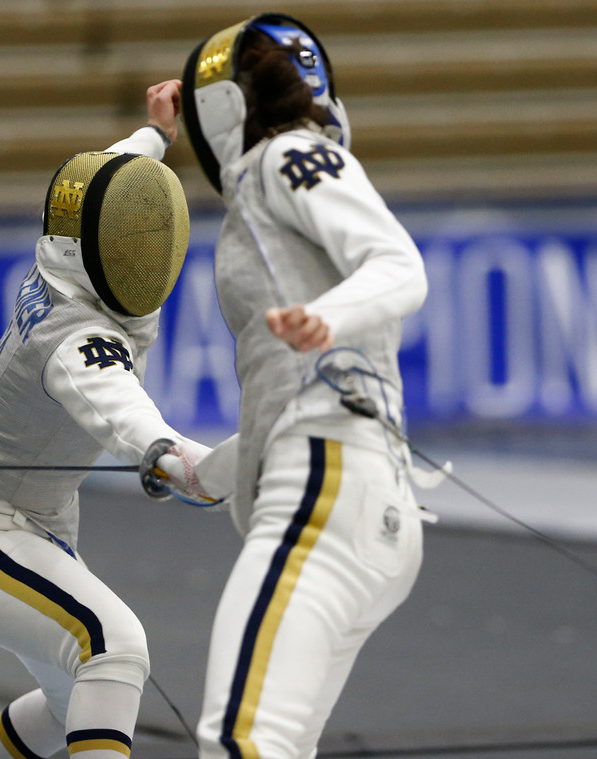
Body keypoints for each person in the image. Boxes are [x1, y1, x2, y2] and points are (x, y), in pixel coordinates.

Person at [0, 79, 212, 759]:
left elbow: (105, 185)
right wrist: (179, 459)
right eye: (134, 236)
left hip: (32, 522)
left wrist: (156, 134)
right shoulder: (77, 340)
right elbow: (125, 414)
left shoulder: (63, 250)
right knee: (113, 646)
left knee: (71, 702)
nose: (148, 244)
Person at [176, 14, 433, 758]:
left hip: (326, 489)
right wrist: (201, 472)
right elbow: (285, 399)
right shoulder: (282, 179)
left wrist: (325, 318)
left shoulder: (285, 156)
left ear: (222, 110)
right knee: (275, 745)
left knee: (242, 740)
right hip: (364, 502)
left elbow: (399, 265)